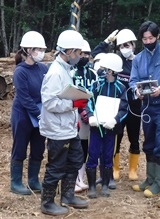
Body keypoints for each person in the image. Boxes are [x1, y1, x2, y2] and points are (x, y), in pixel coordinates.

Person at [39, 29, 89, 216]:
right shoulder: (55, 73)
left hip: (68, 127)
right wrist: (73, 103)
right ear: (68, 52)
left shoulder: (66, 69)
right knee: (56, 165)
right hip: (57, 129)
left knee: (75, 160)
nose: (80, 55)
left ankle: (68, 195)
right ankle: (47, 202)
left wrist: (76, 101)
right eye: (78, 52)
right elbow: (50, 102)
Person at [129, 21, 160, 198]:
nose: (148, 41)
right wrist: (136, 90)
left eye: (151, 38)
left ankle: (159, 183)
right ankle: (149, 179)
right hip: (147, 106)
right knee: (148, 142)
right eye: (145, 39)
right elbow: (133, 79)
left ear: (157, 36)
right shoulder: (138, 58)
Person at [85, 53, 128, 198]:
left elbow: (124, 108)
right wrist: (90, 116)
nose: (101, 70)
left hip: (111, 128)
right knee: (93, 154)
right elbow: (89, 102)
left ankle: (105, 185)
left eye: (104, 68)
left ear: (111, 71)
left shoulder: (121, 88)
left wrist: (115, 120)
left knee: (108, 155)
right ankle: (91, 186)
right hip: (96, 127)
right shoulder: (96, 85)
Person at [10, 31, 48, 195]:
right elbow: (24, 98)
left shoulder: (43, 68)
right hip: (23, 115)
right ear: (27, 50)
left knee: (38, 147)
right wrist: (39, 113)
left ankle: (33, 180)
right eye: (37, 49)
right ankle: (16, 182)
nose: (41, 52)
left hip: (40, 113)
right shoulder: (20, 71)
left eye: (42, 49)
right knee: (20, 147)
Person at [113, 29, 142, 181]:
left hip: (135, 107)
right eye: (122, 46)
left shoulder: (139, 61)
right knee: (117, 136)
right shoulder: (116, 61)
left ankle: (132, 170)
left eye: (127, 45)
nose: (125, 48)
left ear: (133, 45)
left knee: (134, 137)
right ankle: (115, 168)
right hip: (118, 107)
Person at [73, 39, 97, 192]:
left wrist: (91, 112)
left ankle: (80, 179)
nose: (85, 56)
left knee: (85, 147)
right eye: (82, 53)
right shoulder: (71, 71)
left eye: (87, 54)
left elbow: (96, 94)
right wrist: (80, 110)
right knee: (75, 147)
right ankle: (73, 179)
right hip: (75, 114)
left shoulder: (93, 73)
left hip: (90, 115)